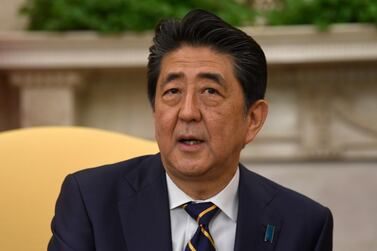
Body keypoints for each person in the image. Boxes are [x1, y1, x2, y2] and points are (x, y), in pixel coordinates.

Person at [48, 9, 333, 251]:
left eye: (210, 91)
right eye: (172, 91)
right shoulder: (91, 202)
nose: (187, 112)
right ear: (155, 109)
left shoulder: (304, 225)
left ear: (253, 119)